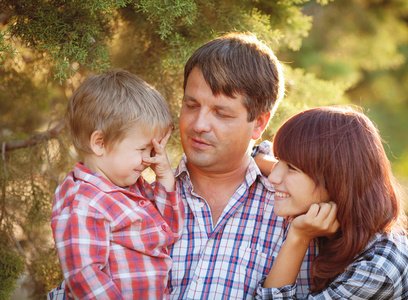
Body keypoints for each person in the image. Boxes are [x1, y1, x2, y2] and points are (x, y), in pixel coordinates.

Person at [48, 32, 316, 299]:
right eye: (191, 105)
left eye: (221, 113)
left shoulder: (293, 214)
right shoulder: (137, 198)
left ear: (259, 123)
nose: (198, 125)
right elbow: (81, 279)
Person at [255, 106, 408, 299]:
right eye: (278, 161)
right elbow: (255, 156)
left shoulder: (377, 267)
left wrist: (298, 238)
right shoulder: (341, 220)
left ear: (337, 179)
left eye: (292, 167)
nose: (274, 177)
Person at [50, 69, 184, 299]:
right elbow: (84, 276)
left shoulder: (132, 188)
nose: (147, 159)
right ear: (100, 143)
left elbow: (171, 230)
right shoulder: (84, 201)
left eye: (151, 150)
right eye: (142, 149)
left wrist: (164, 179)